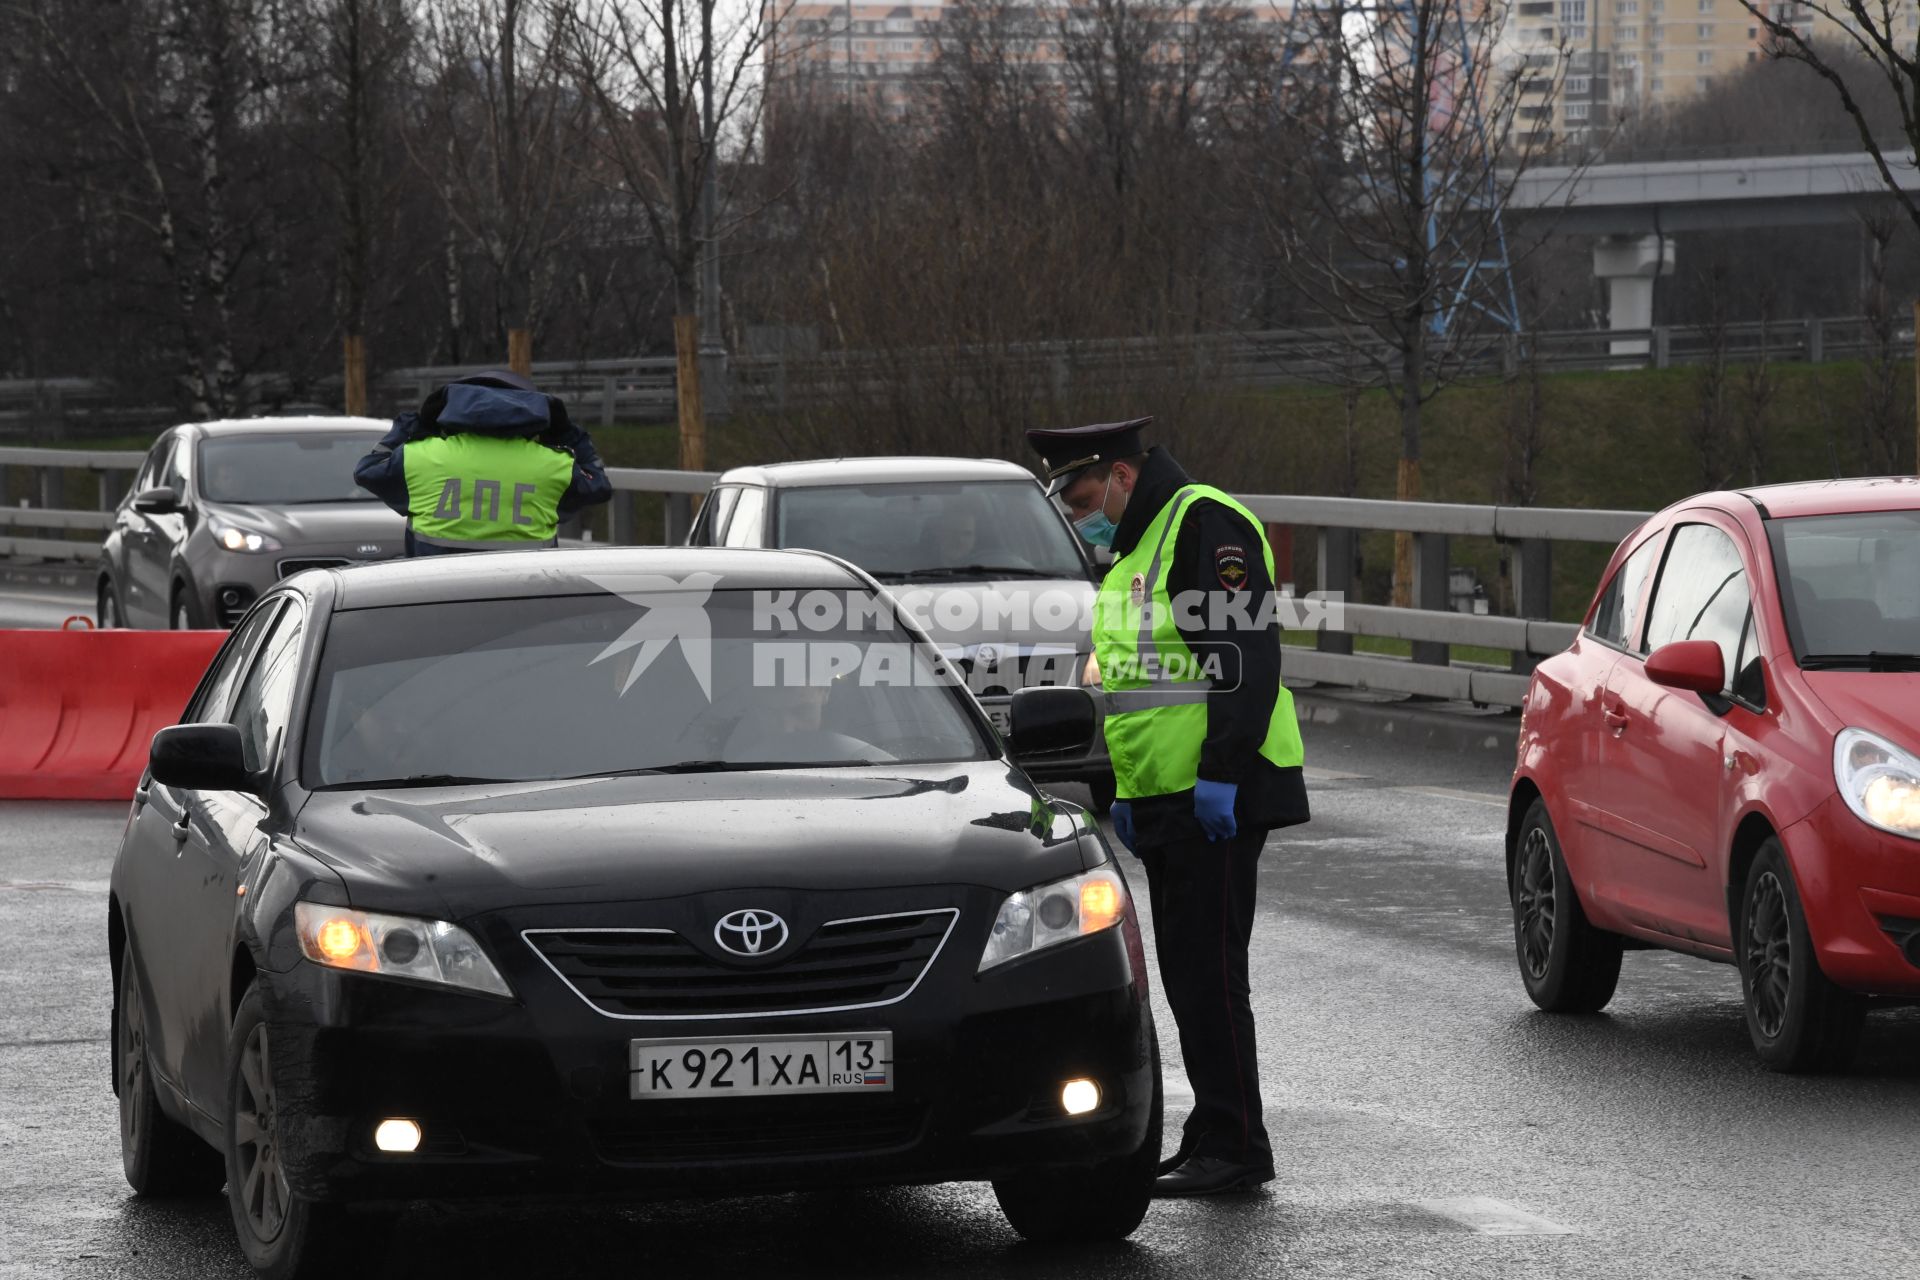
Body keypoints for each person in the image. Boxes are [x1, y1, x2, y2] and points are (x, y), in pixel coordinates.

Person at [1026, 416, 1310, 1198]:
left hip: (1214, 793)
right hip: (1163, 797)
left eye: (1083, 495)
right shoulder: (1134, 551)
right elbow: (1134, 691)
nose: (1080, 513)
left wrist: (1220, 773)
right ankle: (1216, 1130)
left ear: (1122, 473)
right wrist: (1123, 791)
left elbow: (1246, 662)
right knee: (1189, 974)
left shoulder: (1201, 522)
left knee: (1211, 974)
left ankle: (1238, 1143)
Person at [354, 370, 612, 555]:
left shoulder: (421, 456)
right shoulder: (554, 465)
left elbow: (369, 470)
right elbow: (598, 484)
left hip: (434, 599)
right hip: (523, 599)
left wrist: (410, 428)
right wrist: (569, 434)